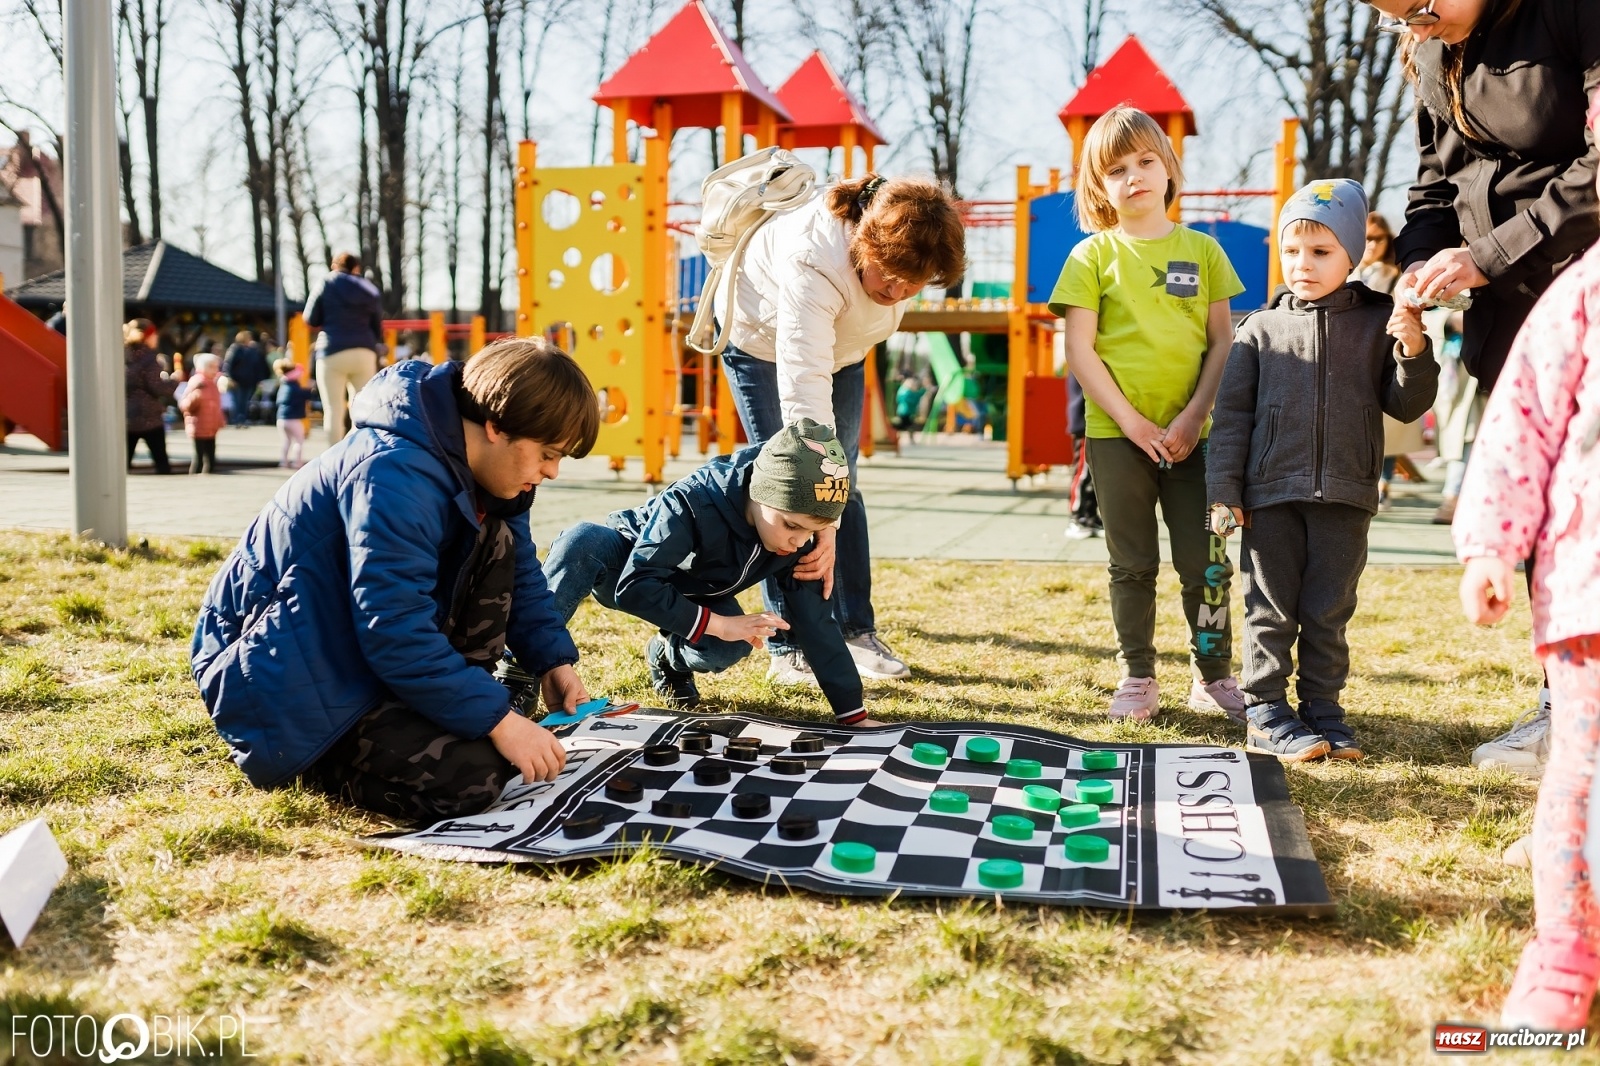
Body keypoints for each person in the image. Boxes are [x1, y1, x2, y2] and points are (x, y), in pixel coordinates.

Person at [190, 339, 600, 821]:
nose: (551, 472)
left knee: (501, 541)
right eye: (547, 454)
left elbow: (522, 573)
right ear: (495, 426)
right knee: (477, 778)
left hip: (353, 654)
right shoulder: (393, 475)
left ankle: (450, 707)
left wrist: (552, 662)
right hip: (277, 682)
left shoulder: (483, 473)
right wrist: (498, 720)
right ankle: (317, 761)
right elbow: (393, 629)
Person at [1366, 0, 1600, 773]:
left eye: (1423, 8)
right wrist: (1424, 267)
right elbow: (1433, 191)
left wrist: (1492, 253)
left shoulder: (1572, 14)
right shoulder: (1435, 56)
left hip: (1583, 289)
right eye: (1397, 19)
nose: (1418, 28)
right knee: (1541, 510)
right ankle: (1564, 705)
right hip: (1505, 307)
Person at [1209, 179, 1439, 761]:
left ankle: (1322, 710)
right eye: (1291, 251)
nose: (1302, 265)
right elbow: (1231, 418)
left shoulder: (1380, 320)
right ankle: (1264, 709)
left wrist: (1413, 351)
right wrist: (1223, 490)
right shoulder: (1258, 330)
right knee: (1270, 606)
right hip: (1270, 496)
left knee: (1328, 610)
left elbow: (1407, 405)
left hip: (1347, 492)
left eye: (1320, 251)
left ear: (1353, 254)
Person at [715, 174, 966, 685]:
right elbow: (803, 391)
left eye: (911, 285)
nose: (896, 292)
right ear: (865, 242)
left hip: (842, 354)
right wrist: (821, 515)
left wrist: (832, 506)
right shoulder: (815, 260)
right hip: (764, 346)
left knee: (843, 484)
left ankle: (854, 630)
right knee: (789, 488)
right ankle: (789, 644)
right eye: (888, 277)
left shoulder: (911, 251)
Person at [1049, 106, 1246, 722]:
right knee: (1131, 564)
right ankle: (1137, 676)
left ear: (1168, 169)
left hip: (1200, 438)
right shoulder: (1089, 259)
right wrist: (1134, 424)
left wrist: (1193, 418)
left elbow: (1223, 341)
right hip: (1117, 437)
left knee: (1207, 564)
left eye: (1144, 161)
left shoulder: (1205, 252)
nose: (1133, 176)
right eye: (1116, 169)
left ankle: (1212, 675)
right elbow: (1079, 349)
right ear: (1098, 187)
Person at [1455, 228, 1600, 1031]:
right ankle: (1567, 945)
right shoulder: (1584, 291)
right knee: (1581, 776)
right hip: (1591, 588)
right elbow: (1523, 421)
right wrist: (1490, 547)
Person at [544, 419, 871, 724]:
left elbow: (815, 621)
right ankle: (517, 670)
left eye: (813, 530)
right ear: (760, 493)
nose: (799, 541)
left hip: (695, 589)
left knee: (734, 643)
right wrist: (718, 623)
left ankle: (666, 656)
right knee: (583, 540)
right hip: (628, 568)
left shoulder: (797, 535)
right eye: (791, 525)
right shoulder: (696, 499)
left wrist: (852, 713)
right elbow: (636, 585)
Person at [1362, 211, 1427, 508]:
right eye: (1365, 239)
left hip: (1391, 349)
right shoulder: (1347, 272)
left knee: (1392, 425)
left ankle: (1383, 483)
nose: (1371, 245)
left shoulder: (1397, 275)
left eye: (1376, 238)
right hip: (1358, 353)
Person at [305, 251, 384, 446]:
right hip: (364, 351)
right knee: (363, 409)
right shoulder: (368, 289)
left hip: (331, 350)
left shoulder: (325, 283)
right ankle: (359, 451)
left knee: (333, 409)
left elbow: (310, 318)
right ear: (356, 268)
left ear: (334, 266)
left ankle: (333, 457)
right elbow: (377, 325)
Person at [123, 318, 175, 475]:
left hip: (127, 414)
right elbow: (157, 387)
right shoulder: (149, 358)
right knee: (161, 461)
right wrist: (174, 382)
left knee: (122, 462)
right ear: (148, 336)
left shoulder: (123, 354)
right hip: (149, 416)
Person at [1063, 374, 1103, 540]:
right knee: (1083, 472)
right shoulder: (1083, 355)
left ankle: (1090, 515)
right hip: (1086, 422)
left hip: (1095, 420)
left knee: (1096, 475)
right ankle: (1077, 516)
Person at [179, 352, 225, 475]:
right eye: (212, 367)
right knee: (199, 457)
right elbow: (185, 404)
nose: (215, 370)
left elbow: (216, 405)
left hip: (211, 426)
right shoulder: (198, 382)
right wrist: (194, 398)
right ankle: (195, 478)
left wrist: (220, 420)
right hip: (199, 425)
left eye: (216, 366)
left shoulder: (213, 383)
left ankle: (209, 477)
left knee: (211, 458)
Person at [274, 359, 313, 469]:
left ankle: (283, 462)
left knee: (286, 441)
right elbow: (305, 395)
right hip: (293, 419)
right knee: (299, 441)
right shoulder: (294, 387)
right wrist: (310, 389)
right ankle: (297, 463)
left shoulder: (283, 386)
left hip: (281, 418)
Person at [223, 330, 268, 426]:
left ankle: (242, 419)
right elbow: (228, 364)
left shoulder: (253, 351)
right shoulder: (235, 349)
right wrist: (229, 377)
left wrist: (259, 380)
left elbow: (257, 366)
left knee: (245, 401)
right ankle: (236, 420)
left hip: (249, 381)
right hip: (237, 381)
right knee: (237, 401)